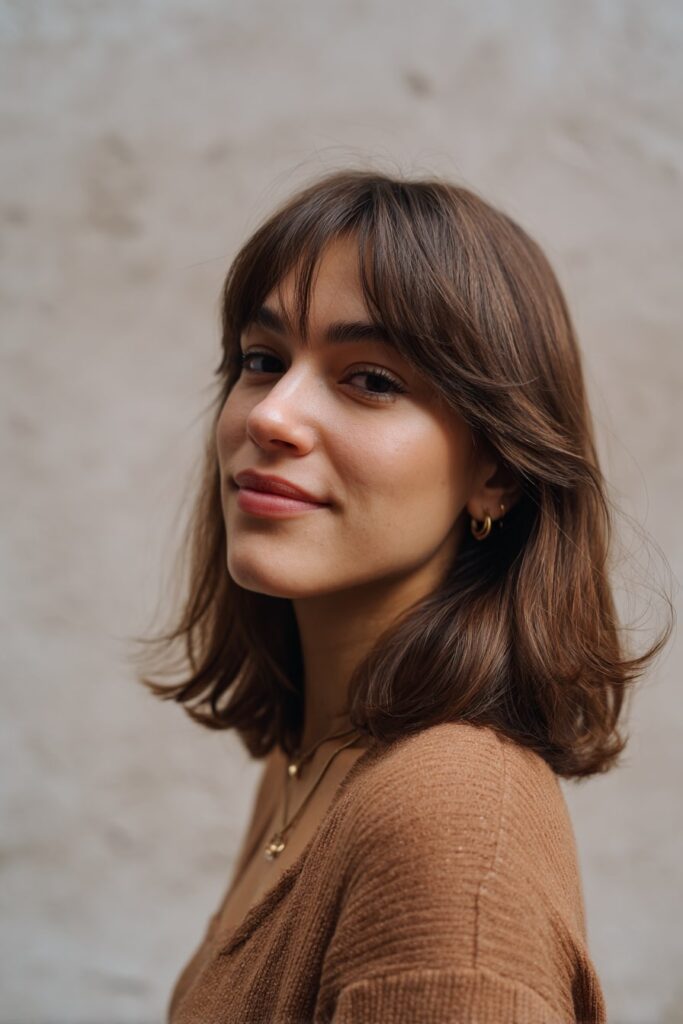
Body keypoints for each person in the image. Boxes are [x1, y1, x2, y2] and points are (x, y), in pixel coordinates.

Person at [134, 169, 671, 1023]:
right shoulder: (312, 754)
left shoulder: (446, 832)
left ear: (494, 471)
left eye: (371, 380)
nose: (271, 415)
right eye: (262, 360)